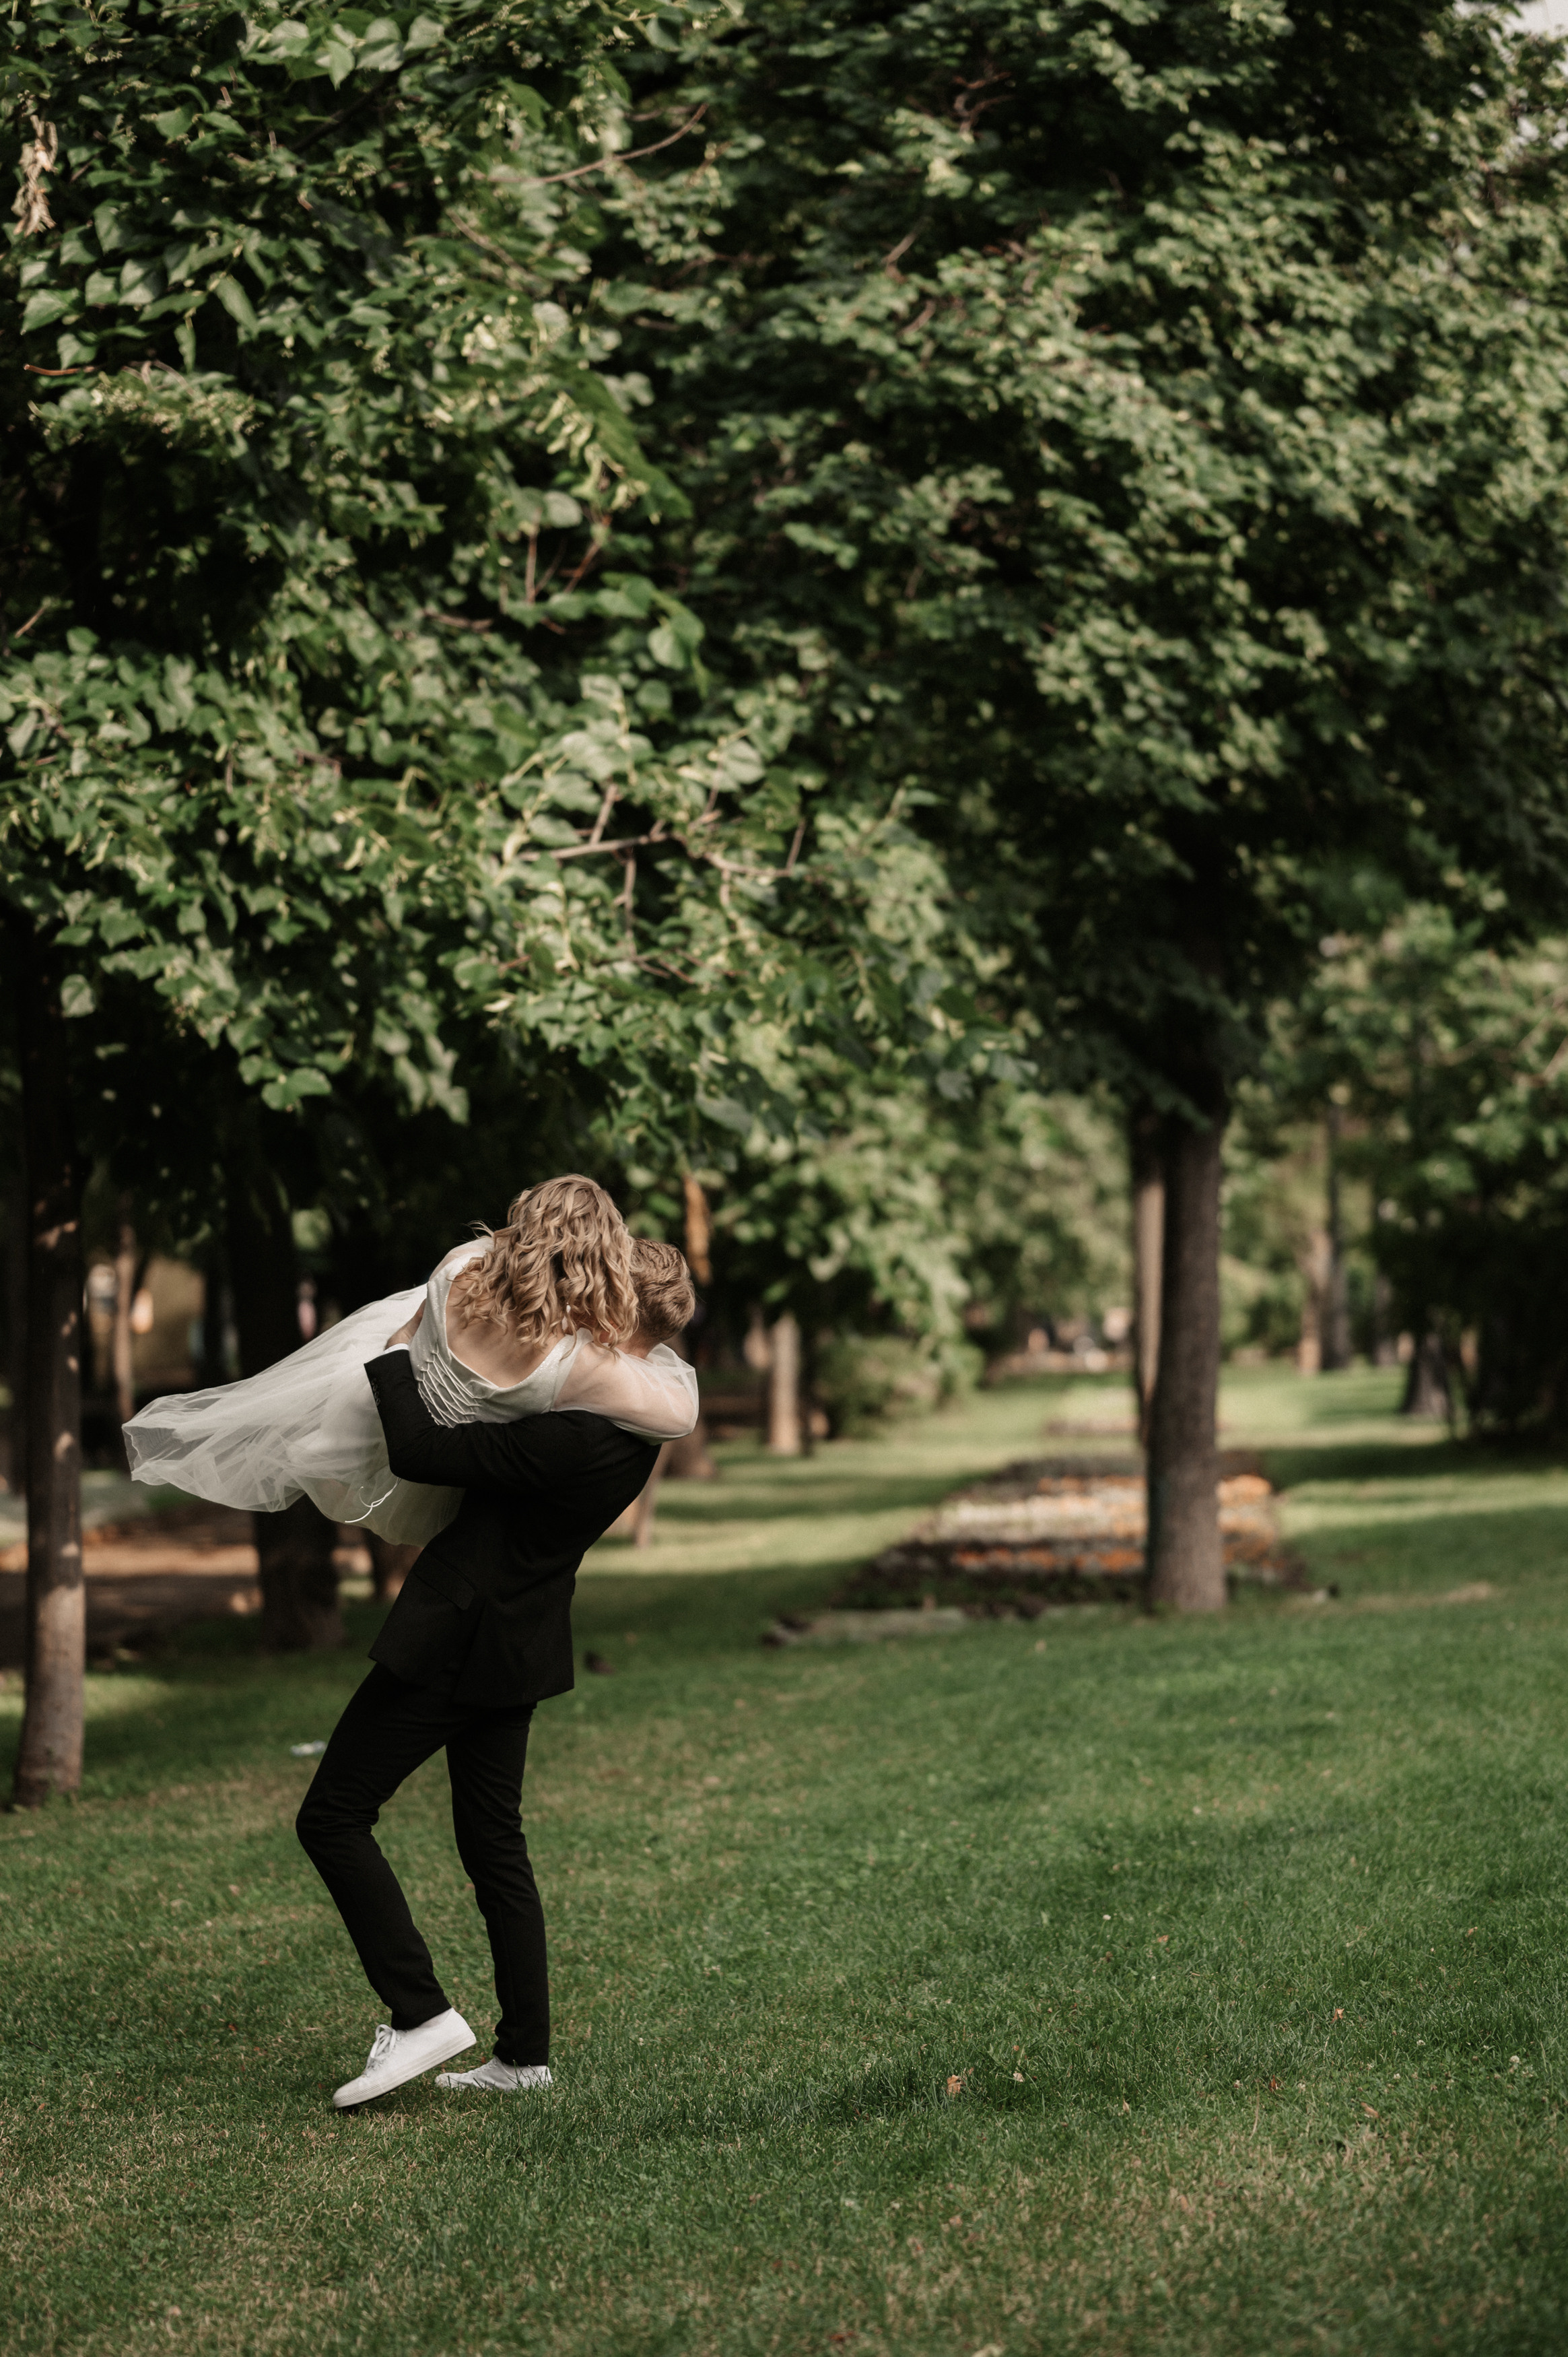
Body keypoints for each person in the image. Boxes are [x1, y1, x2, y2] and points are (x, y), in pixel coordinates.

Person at [295, 1203, 700, 2110]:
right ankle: (524, 2055)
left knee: (332, 1817)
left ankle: (420, 2013)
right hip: (518, 1642)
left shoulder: (574, 1432)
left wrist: (401, 1346)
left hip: (456, 1635)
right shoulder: (637, 1428)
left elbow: (422, 1447)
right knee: (494, 1844)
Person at [123, 1181, 699, 1541]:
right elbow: (677, 1416)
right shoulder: (572, 1363)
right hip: (427, 1476)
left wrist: (404, 1342)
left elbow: (498, 1256)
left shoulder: (456, 1268)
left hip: (359, 1411)